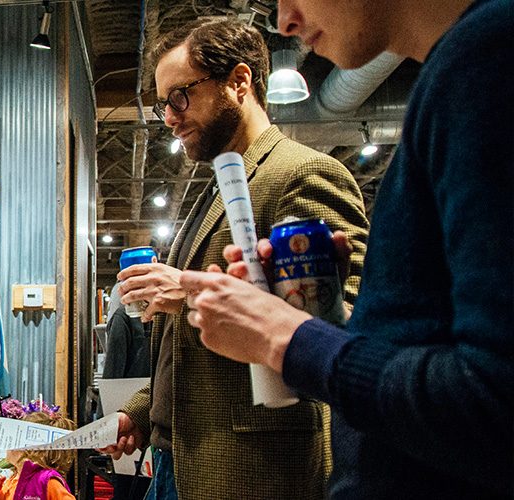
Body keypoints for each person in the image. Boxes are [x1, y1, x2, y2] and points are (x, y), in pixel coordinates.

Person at [178, 0, 513, 497]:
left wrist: (287, 338)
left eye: (180, 97)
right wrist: (315, 309)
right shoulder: (458, 68)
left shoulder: (485, 60)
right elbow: (416, 337)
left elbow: (494, 401)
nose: (285, 20)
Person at [100, 18, 370, 500]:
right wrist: (141, 413)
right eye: (163, 103)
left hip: (252, 468)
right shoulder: (215, 186)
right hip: (174, 459)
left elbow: (342, 332)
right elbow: (183, 354)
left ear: (239, 82)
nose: (169, 116)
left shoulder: (303, 173)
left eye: (179, 96)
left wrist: (187, 290)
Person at [0, 411, 77, 500]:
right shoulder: (11, 478)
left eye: (16, 437)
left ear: (33, 451)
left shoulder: (48, 482)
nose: (9, 442)